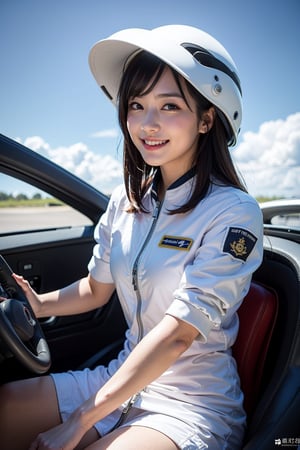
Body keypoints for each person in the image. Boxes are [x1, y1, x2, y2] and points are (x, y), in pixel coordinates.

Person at [0, 25, 263, 450]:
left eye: (170, 105)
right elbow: (95, 289)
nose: (147, 123)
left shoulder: (233, 212)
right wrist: (39, 302)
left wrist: (82, 419)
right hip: (120, 378)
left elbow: (179, 332)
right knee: (7, 407)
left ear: (206, 118)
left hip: (192, 402)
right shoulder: (125, 200)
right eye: (137, 105)